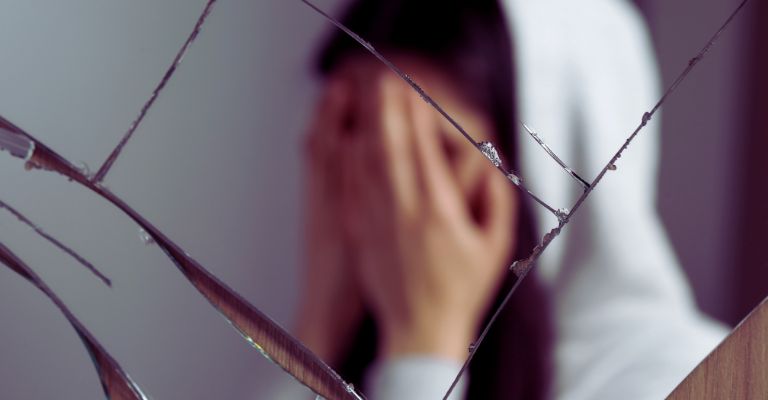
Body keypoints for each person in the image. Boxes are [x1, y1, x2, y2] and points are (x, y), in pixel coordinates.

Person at [273, 0, 727, 399]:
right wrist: (315, 339)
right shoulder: (367, 353)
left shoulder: (696, 379)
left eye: (434, 157)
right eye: (350, 139)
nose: (382, 206)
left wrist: (424, 348)